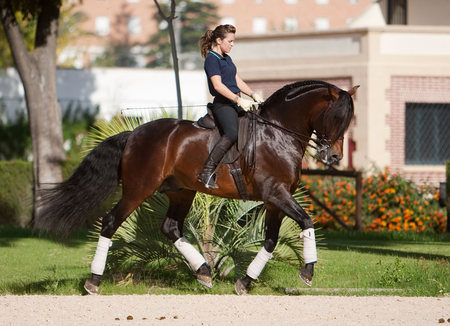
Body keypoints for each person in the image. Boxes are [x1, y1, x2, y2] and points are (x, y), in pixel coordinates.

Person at [197, 24, 264, 189]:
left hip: (235, 101)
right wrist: (238, 100)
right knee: (232, 133)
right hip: (223, 104)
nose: (232, 44)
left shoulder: (227, 58)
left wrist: (253, 94)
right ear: (219, 41)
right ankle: (207, 171)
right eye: (230, 41)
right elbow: (218, 86)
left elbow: (237, 80)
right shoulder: (211, 59)